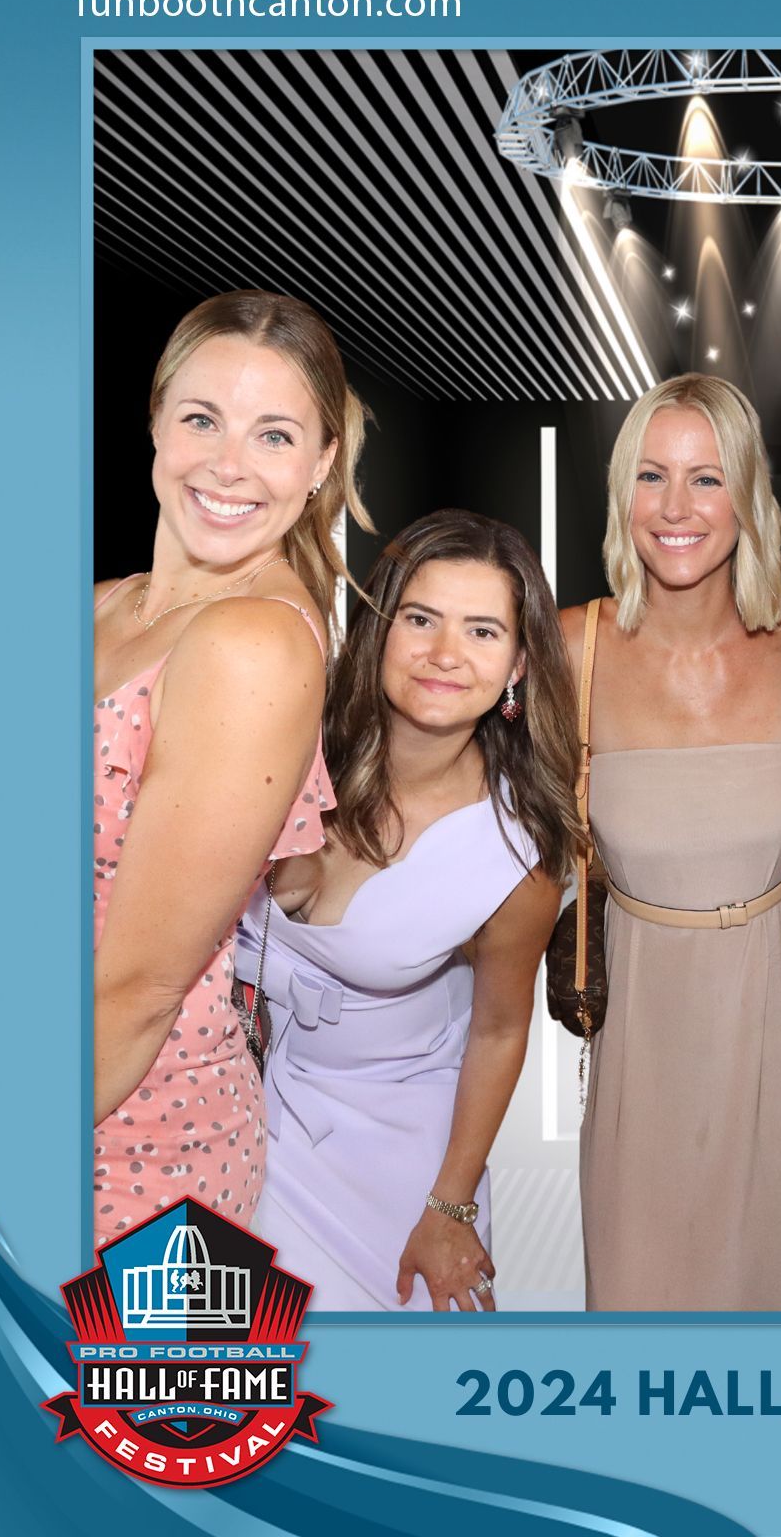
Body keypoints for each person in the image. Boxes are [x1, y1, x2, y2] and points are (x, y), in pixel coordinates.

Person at [563, 374, 781, 1311]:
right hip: (642, 1049)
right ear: (623, 495)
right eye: (652, 476)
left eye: (706, 478)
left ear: (749, 494)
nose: (676, 508)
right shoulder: (569, 646)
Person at [234, 511, 579, 1311]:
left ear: (518, 666)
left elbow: (498, 1031)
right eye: (421, 619)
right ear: (382, 629)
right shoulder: (284, 747)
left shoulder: (515, 856)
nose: (444, 654)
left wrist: (449, 1208)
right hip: (237, 1117)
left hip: (394, 1167)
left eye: (483, 631)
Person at [92, 289, 371, 1247]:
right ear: (157, 421)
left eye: (274, 435)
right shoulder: (102, 607)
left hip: (130, 1151)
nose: (227, 465)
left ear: (323, 462)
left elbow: (140, 990)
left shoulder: (254, 644)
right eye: (203, 419)